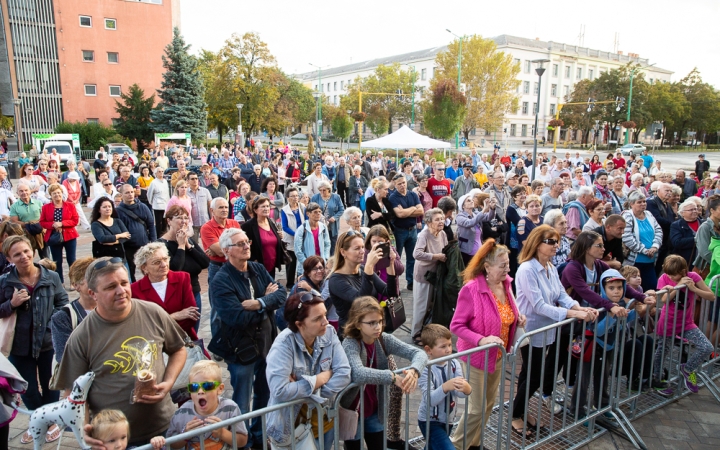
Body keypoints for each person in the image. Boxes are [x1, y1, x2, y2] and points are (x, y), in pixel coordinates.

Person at [51, 256, 187, 447]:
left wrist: (169, 382)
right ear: (93, 293)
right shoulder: (82, 336)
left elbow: (178, 349)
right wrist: (83, 429)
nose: (121, 291)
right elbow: (73, 393)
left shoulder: (153, 312)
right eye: (110, 287)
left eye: (124, 283)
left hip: (163, 429)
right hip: (113, 440)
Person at [512, 225, 597, 436]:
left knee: (530, 374)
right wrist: (573, 314)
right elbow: (538, 305)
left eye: (557, 241)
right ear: (537, 244)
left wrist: (578, 307)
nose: (556, 246)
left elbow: (561, 294)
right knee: (534, 375)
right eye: (551, 242)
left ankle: (521, 411)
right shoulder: (527, 269)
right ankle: (515, 414)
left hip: (547, 328)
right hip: (531, 330)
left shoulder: (549, 267)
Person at [208, 228, 286, 448]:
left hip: (267, 345)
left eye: (247, 241)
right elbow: (237, 317)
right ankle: (243, 442)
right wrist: (266, 300)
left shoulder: (258, 268)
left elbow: (281, 294)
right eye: (239, 244)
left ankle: (260, 438)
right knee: (241, 401)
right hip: (241, 350)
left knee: (264, 396)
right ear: (226, 251)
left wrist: (259, 302)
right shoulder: (221, 280)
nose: (246, 246)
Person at [450, 240, 524, 448]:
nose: (507, 269)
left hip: (498, 356)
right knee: (475, 408)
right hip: (475, 357)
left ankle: (474, 443)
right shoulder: (471, 289)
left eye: (508, 264)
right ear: (487, 267)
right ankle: (455, 445)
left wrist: (518, 318)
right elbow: (456, 325)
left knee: (488, 405)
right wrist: (482, 340)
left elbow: (506, 313)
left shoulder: (506, 283)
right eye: (502, 266)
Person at [0, 236, 68, 445]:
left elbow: (63, 303)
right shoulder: (5, 281)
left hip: (47, 342)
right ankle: (37, 419)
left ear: (33, 250)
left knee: (51, 385)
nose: (24, 257)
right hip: (18, 345)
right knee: (27, 388)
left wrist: (50, 326)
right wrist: (11, 303)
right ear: (9, 258)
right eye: (17, 254)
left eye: (26, 251)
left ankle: (51, 421)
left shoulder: (51, 276)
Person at [265, 292, 351, 450]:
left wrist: (307, 393)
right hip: (291, 429)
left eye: (325, 315)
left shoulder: (329, 333)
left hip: (325, 423)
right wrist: (320, 378)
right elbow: (279, 390)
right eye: (317, 319)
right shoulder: (283, 345)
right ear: (299, 324)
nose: (326, 322)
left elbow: (344, 373)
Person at [340, 297, 427, 450]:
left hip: (375, 409)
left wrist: (415, 370)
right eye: (371, 323)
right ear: (358, 324)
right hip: (353, 411)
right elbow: (359, 373)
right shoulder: (350, 343)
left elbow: (419, 354)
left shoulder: (383, 339)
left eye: (379, 321)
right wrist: (392, 377)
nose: (377, 327)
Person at [653, 255, 715, 395]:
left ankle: (687, 369)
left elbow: (711, 296)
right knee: (662, 352)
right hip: (668, 322)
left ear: (683, 271)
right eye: (669, 273)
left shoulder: (693, 276)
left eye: (674, 274)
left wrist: (693, 289)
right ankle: (657, 380)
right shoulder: (664, 278)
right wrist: (677, 285)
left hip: (686, 323)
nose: (670, 276)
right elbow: (664, 299)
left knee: (706, 347)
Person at [154, 361, 248, 450]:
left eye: (207, 386)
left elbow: (242, 441)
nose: (200, 392)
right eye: (194, 387)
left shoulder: (230, 408)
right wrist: (186, 435)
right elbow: (172, 444)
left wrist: (222, 433)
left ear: (220, 389)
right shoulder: (182, 412)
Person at [328, 231, 397, 335]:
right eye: (357, 248)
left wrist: (390, 264)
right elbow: (361, 301)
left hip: (370, 332)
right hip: (351, 335)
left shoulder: (362, 269)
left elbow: (390, 292)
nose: (362, 252)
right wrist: (369, 266)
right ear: (343, 252)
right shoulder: (336, 280)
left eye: (362, 247)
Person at [417, 324, 471, 450]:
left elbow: (460, 393)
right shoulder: (425, 369)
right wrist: (446, 387)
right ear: (428, 350)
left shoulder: (454, 363)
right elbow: (430, 399)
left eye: (449, 345)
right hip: (429, 421)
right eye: (443, 346)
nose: (448, 350)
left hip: (448, 419)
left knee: (433, 447)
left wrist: (467, 389)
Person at [131, 242, 199, 341]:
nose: (164, 265)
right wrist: (174, 316)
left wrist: (157, 325)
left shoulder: (182, 278)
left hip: (182, 340)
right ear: (144, 267)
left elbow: (191, 317)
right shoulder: (134, 290)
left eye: (165, 259)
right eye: (157, 262)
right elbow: (142, 325)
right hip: (153, 345)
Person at [158, 205, 209, 333]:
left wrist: (188, 245)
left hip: (194, 291)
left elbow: (205, 263)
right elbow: (175, 269)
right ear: (169, 221)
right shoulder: (161, 244)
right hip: (175, 295)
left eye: (186, 218)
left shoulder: (189, 240)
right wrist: (181, 246)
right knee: (178, 332)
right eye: (179, 218)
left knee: (193, 332)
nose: (184, 221)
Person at [411, 208, 448, 342]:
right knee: (421, 306)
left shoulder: (442, 233)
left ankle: (427, 332)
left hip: (436, 275)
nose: (441, 221)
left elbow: (446, 249)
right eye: (437, 219)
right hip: (423, 275)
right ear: (428, 222)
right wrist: (435, 256)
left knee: (431, 306)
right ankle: (415, 334)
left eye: (442, 219)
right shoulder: (424, 235)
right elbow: (416, 254)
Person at [50, 257, 95, 363]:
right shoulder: (63, 317)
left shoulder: (113, 308)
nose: (96, 284)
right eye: (90, 280)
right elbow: (64, 358)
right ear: (76, 285)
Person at [622, 191, 663, 291]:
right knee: (634, 289)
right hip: (635, 261)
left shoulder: (648, 214)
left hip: (650, 260)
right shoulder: (628, 216)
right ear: (631, 204)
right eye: (639, 202)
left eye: (644, 201)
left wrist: (655, 247)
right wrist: (644, 250)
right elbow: (627, 237)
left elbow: (658, 231)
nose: (643, 204)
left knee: (652, 288)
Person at [389, 174, 424, 291]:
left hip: (412, 230)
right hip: (399, 231)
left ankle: (411, 282)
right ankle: (395, 284)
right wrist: (413, 208)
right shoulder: (393, 197)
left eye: (404, 182)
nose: (402, 185)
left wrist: (406, 210)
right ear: (394, 184)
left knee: (412, 258)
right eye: (399, 183)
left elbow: (421, 211)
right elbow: (399, 214)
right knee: (396, 258)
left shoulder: (413, 194)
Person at [116, 183, 157, 283]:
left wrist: (154, 242)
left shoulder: (143, 207)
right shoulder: (118, 211)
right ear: (121, 195)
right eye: (127, 193)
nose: (130, 194)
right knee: (130, 271)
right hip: (128, 246)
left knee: (149, 268)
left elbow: (151, 224)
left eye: (131, 192)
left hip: (144, 244)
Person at [39, 184, 78, 284]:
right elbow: (42, 222)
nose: (57, 195)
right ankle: (59, 282)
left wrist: (62, 223)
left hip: (70, 236)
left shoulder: (70, 205)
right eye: (54, 193)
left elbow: (75, 220)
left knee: (72, 260)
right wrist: (53, 225)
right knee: (57, 261)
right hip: (54, 237)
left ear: (62, 193)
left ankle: (73, 281)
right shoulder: (46, 207)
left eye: (58, 193)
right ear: (50, 195)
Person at [241, 196, 285, 278]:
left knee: (272, 289)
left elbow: (274, 240)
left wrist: (279, 237)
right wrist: (253, 261)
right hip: (257, 267)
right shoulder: (248, 226)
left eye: (268, 206)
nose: (266, 208)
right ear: (255, 210)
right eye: (263, 206)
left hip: (272, 264)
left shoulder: (271, 221)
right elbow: (244, 245)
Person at [456, 191, 495, 265]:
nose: (471, 201)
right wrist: (483, 210)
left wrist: (492, 208)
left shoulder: (476, 214)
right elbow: (470, 223)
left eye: (471, 200)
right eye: (468, 201)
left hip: (479, 250)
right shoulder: (459, 216)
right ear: (463, 206)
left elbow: (489, 217)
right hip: (467, 251)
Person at [294, 202, 331, 279]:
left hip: (320, 265)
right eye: (315, 212)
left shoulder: (323, 227)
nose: (318, 214)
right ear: (308, 214)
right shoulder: (302, 229)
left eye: (319, 212)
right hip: (307, 267)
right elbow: (298, 249)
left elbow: (327, 244)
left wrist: (325, 257)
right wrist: (306, 263)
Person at [90, 197, 130, 262]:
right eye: (104, 207)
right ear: (99, 210)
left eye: (109, 206)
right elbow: (102, 238)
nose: (108, 209)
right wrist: (119, 236)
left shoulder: (117, 221)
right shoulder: (96, 224)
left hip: (120, 255)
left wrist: (114, 242)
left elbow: (127, 236)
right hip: (104, 258)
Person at [311, 181, 344, 255]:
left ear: (329, 189)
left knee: (333, 244)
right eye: (320, 190)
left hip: (333, 225)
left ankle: (332, 261)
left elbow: (341, 209)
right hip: (320, 225)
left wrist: (335, 217)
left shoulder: (336, 197)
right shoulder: (315, 198)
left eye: (324, 190)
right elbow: (310, 210)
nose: (322, 192)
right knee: (321, 244)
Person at [670, 199, 702, 265]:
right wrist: (696, 239)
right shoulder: (676, 225)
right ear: (682, 213)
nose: (694, 211)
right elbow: (677, 242)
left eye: (695, 209)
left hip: (704, 261)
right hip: (686, 261)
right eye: (691, 210)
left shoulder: (704, 223)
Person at [147, 166, 170, 238]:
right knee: (158, 223)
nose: (161, 173)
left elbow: (167, 193)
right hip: (157, 206)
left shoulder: (165, 181)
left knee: (165, 223)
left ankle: (164, 236)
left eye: (162, 171)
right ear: (156, 173)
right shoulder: (153, 182)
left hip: (165, 205)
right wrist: (152, 203)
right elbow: (149, 194)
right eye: (159, 171)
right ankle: (158, 237)